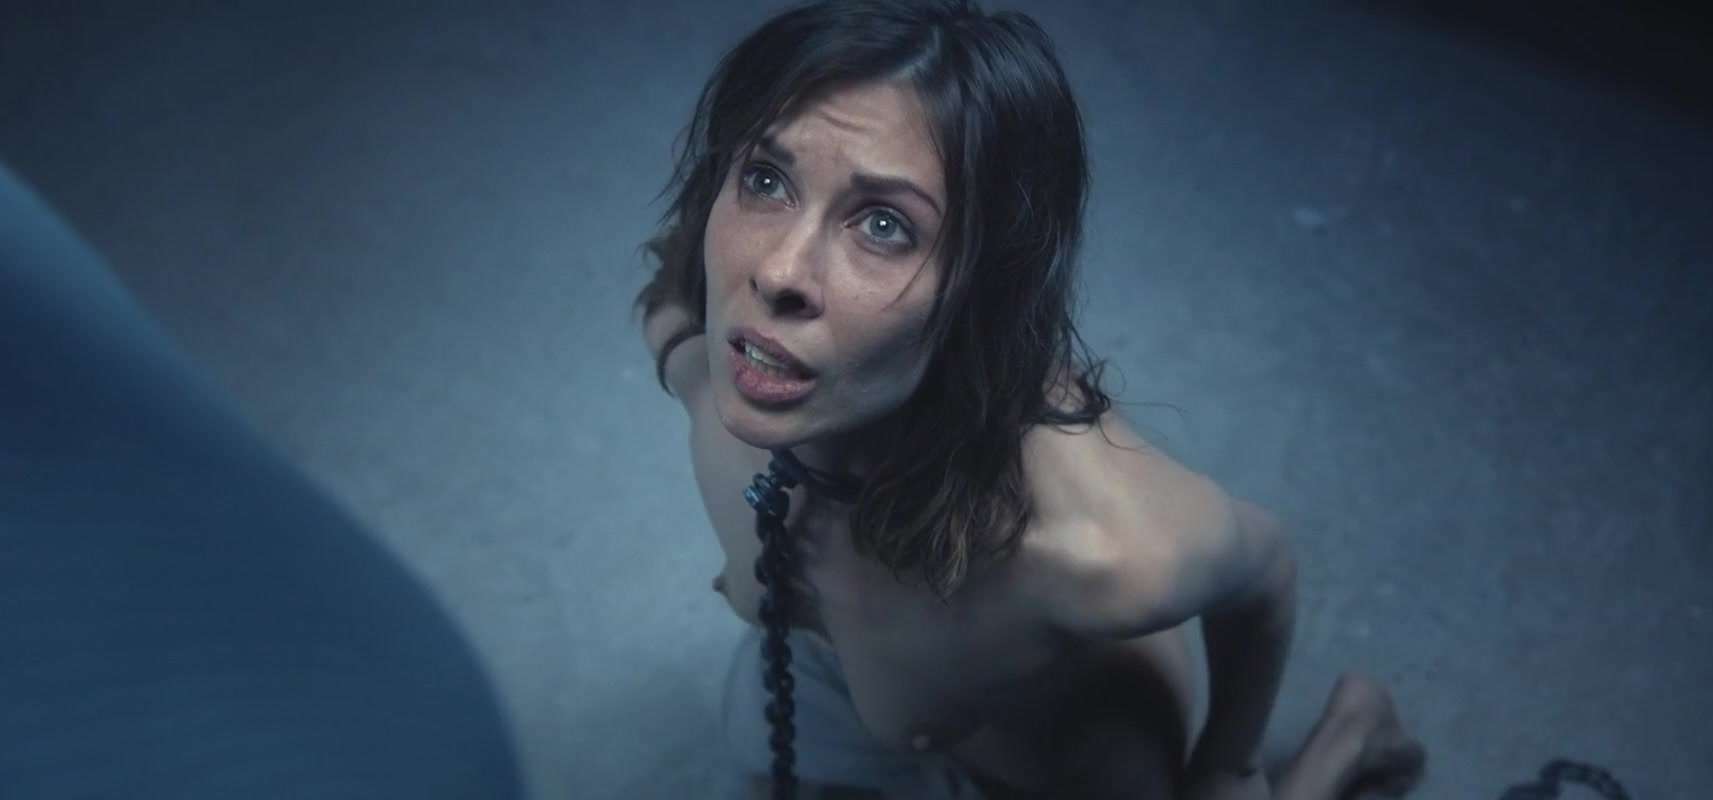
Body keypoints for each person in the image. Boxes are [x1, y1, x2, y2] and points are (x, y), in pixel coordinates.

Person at [633, 1, 1427, 797]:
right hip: (840, 686)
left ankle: (1348, 737)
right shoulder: (701, 358)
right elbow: (669, 301)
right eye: (766, 179)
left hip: (1055, 759)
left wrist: (1229, 764)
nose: (776, 272)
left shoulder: (1098, 551)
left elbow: (1266, 567)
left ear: (980, 293)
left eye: (883, 226)